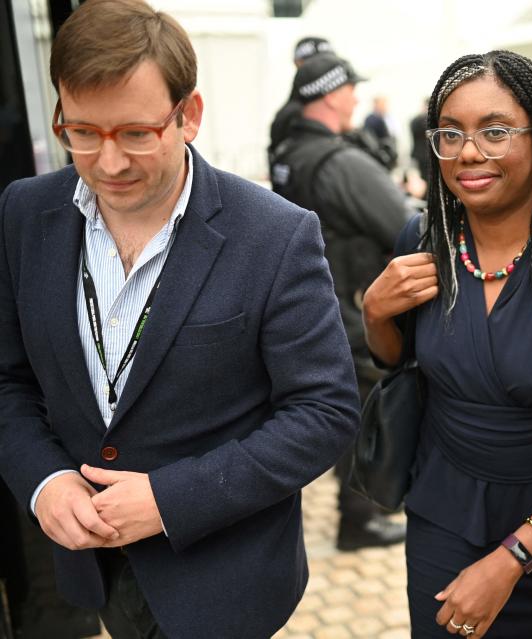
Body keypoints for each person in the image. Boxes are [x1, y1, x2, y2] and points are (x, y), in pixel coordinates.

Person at [0, 2, 360, 638]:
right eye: (82, 132)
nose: (108, 163)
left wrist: (172, 500)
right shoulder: (24, 215)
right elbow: (9, 381)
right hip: (98, 572)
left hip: (226, 581)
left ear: (188, 115)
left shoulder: (276, 235)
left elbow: (324, 414)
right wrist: (44, 481)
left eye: (137, 134)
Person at [361, 50, 532, 638]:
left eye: (494, 131)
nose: (468, 152)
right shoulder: (422, 239)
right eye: (451, 133)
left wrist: (516, 556)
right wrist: (374, 313)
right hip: (444, 515)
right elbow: (399, 364)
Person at [271, 53, 410, 551]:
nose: (355, 98)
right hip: (348, 311)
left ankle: (358, 515)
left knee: (336, 412)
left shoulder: (288, 150)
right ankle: (361, 519)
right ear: (332, 94)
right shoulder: (340, 161)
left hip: (309, 308)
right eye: (351, 89)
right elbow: (406, 227)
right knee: (364, 416)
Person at [268, 35, 335, 185]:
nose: (324, 70)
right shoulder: (291, 114)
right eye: (315, 64)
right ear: (298, 64)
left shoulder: (328, 105)